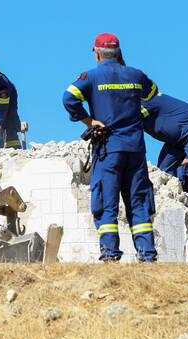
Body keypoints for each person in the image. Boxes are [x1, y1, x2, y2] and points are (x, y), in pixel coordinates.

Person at [62, 32, 158, 262]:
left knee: (106, 202)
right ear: (119, 52)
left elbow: (69, 97)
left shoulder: (91, 77)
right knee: (138, 202)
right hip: (135, 149)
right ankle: (146, 256)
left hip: (108, 150)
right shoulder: (136, 74)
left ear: (96, 53)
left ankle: (110, 254)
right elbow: (152, 93)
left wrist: (89, 121)